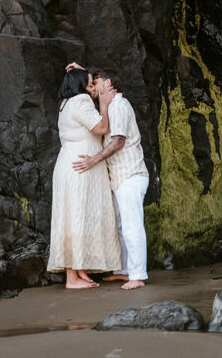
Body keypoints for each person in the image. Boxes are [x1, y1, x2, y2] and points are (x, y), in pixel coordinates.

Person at [68, 63, 150, 290]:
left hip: (131, 174)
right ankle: (125, 271)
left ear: (108, 84)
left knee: (133, 226)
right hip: (120, 177)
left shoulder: (119, 106)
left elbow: (118, 141)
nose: (91, 88)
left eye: (95, 84)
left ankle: (138, 275)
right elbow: (94, 85)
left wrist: (93, 160)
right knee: (122, 226)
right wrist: (80, 70)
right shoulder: (110, 104)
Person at [46, 67, 122, 289]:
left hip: (70, 164)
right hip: (79, 167)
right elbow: (101, 127)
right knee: (76, 217)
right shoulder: (80, 101)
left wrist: (79, 69)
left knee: (73, 216)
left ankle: (78, 271)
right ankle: (71, 279)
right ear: (80, 87)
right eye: (89, 85)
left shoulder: (66, 102)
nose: (92, 90)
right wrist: (105, 104)